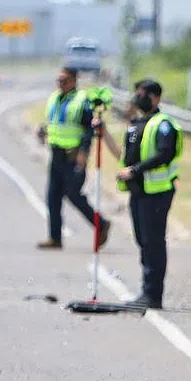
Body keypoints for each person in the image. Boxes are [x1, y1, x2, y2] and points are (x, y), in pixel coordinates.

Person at [97, 79, 183, 310]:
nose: (138, 97)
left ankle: (153, 295)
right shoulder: (136, 125)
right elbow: (123, 156)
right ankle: (146, 291)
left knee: (153, 242)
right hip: (139, 192)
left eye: (143, 93)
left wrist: (135, 171)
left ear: (156, 98)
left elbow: (165, 154)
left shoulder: (164, 125)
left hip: (157, 192)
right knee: (142, 241)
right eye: (137, 93)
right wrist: (103, 133)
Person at [36, 66, 111, 250]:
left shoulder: (82, 100)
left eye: (64, 80)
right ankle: (55, 237)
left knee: (73, 193)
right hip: (56, 154)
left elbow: (88, 130)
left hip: (73, 155)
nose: (60, 83)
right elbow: (55, 121)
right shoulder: (55, 98)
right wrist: (43, 130)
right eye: (59, 80)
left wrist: (83, 154)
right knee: (53, 196)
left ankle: (100, 223)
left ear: (74, 81)